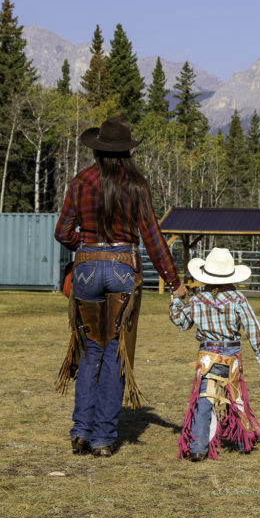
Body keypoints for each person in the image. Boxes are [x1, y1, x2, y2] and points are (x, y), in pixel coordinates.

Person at [54, 116, 185, 458]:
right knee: (114, 353)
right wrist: (174, 283)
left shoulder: (79, 182)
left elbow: (62, 232)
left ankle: (81, 431)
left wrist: (85, 245)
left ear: (97, 150)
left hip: (85, 269)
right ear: (127, 151)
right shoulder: (137, 184)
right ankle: (103, 439)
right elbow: (153, 238)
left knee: (89, 351)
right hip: (123, 271)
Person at [169, 247, 260, 461]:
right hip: (231, 352)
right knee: (236, 396)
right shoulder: (238, 299)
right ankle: (243, 441)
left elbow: (181, 322)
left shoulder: (197, 300)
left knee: (204, 398)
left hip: (207, 354)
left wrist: (176, 301)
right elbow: (252, 326)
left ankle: (198, 447)